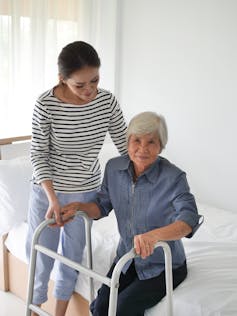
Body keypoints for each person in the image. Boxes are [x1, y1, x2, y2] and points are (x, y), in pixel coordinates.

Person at [61, 111, 203, 316]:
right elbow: (101, 205)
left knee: (123, 308)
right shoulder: (113, 168)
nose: (142, 149)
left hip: (164, 265)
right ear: (128, 141)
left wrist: (153, 236)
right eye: (136, 140)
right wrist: (79, 207)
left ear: (161, 146)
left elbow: (188, 220)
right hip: (127, 259)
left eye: (151, 142)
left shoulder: (174, 177)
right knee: (101, 307)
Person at [25, 41, 127, 316]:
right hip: (49, 192)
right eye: (79, 85)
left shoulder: (106, 102)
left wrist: (151, 178)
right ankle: (33, 310)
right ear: (62, 79)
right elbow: (38, 154)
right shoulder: (45, 104)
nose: (89, 90)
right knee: (40, 256)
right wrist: (52, 198)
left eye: (94, 80)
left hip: (85, 193)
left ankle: (58, 313)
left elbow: (125, 144)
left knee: (72, 258)